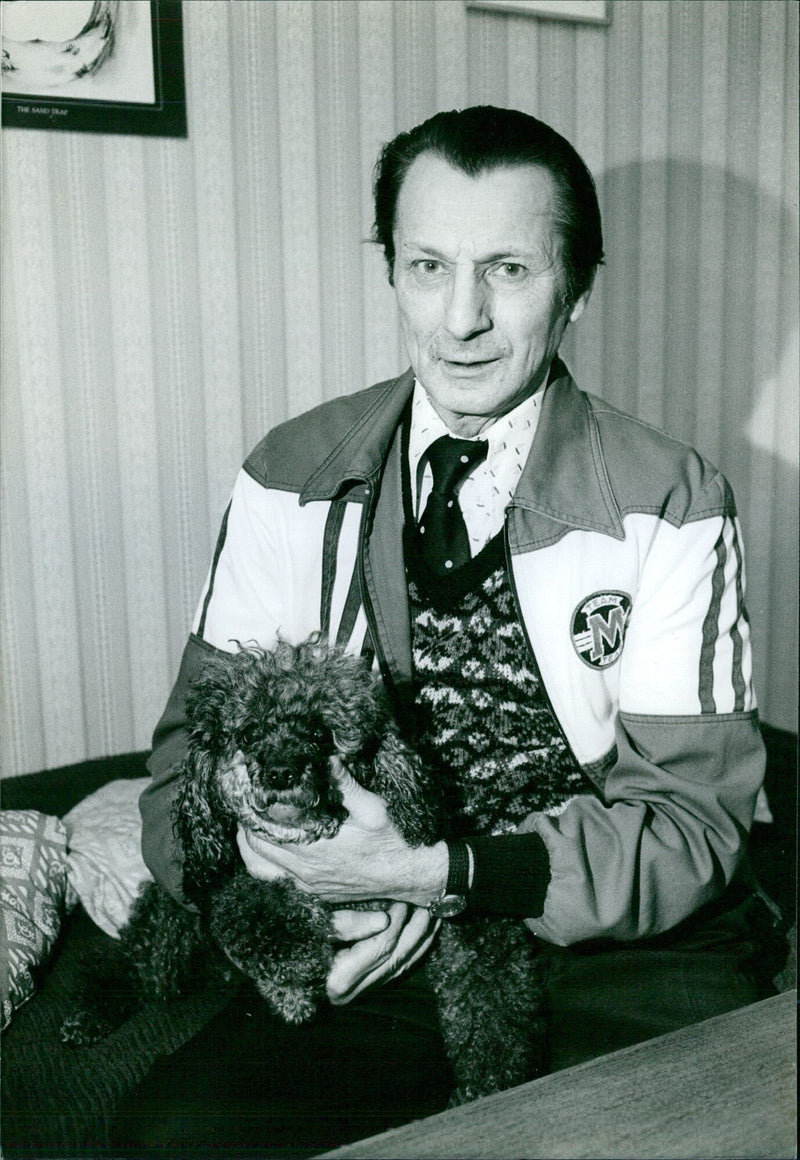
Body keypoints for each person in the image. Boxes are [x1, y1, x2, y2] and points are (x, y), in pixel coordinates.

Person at [115, 106, 780, 1158]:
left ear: (574, 288)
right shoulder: (288, 471)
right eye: (428, 265)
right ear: (393, 273)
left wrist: (437, 871)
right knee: (175, 1136)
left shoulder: (674, 496)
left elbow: (693, 826)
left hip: (623, 942)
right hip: (384, 940)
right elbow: (178, 777)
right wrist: (295, 884)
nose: (459, 316)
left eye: (507, 269)